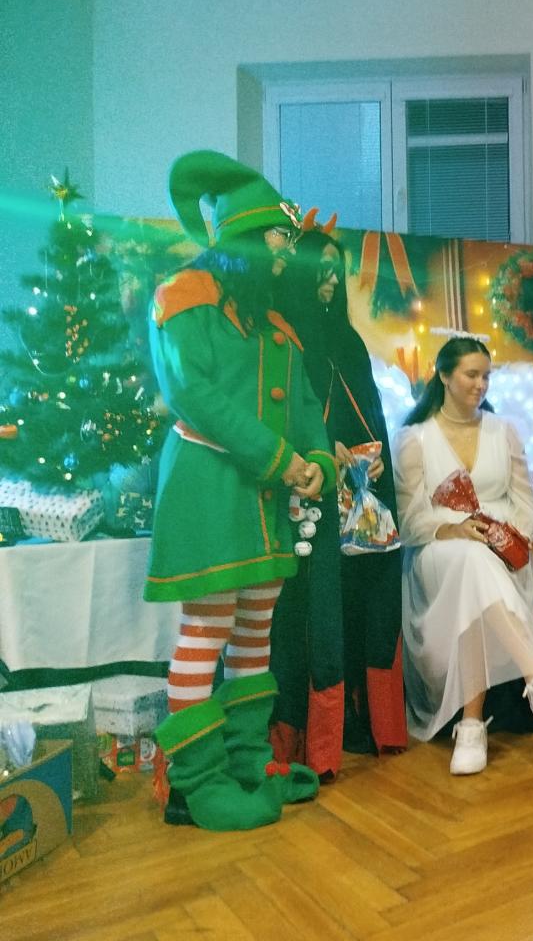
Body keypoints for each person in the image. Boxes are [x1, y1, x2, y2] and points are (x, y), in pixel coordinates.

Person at [145, 150, 337, 831]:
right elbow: (194, 396)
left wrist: (319, 462)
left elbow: (306, 406)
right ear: (245, 237)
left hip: (264, 505)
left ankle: (248, 762)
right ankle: (195, 786)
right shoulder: (183, 298)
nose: (286, 254)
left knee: (255, 633)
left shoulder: (273, 325)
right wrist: (284, 461)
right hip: (209, 491)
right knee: (205, 632)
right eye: (279, 239)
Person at [393, 335, 533, 775]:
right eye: (471, 375)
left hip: (497, 551)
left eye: (486, 377)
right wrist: (450, 528)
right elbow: (408, 519)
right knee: (468, 560)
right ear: (444, 376)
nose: (481, 385)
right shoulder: (413, 439)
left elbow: (526, 504)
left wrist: (509, 534)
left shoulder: (503, 431)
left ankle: (472, 725)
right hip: (437, 551)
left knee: (476, 569)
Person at [269, 226, 407, 778]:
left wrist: (376, 460)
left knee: (360, 604)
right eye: (320, 268)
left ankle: (359, 719)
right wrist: (324, 452)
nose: (329, 280)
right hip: (307, 496)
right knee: (311, 615)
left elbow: (368, 411)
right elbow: (285, 418)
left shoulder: (347, 340)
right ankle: (306, 740)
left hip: (359, 498)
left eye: (336, 270)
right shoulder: (284, 336)